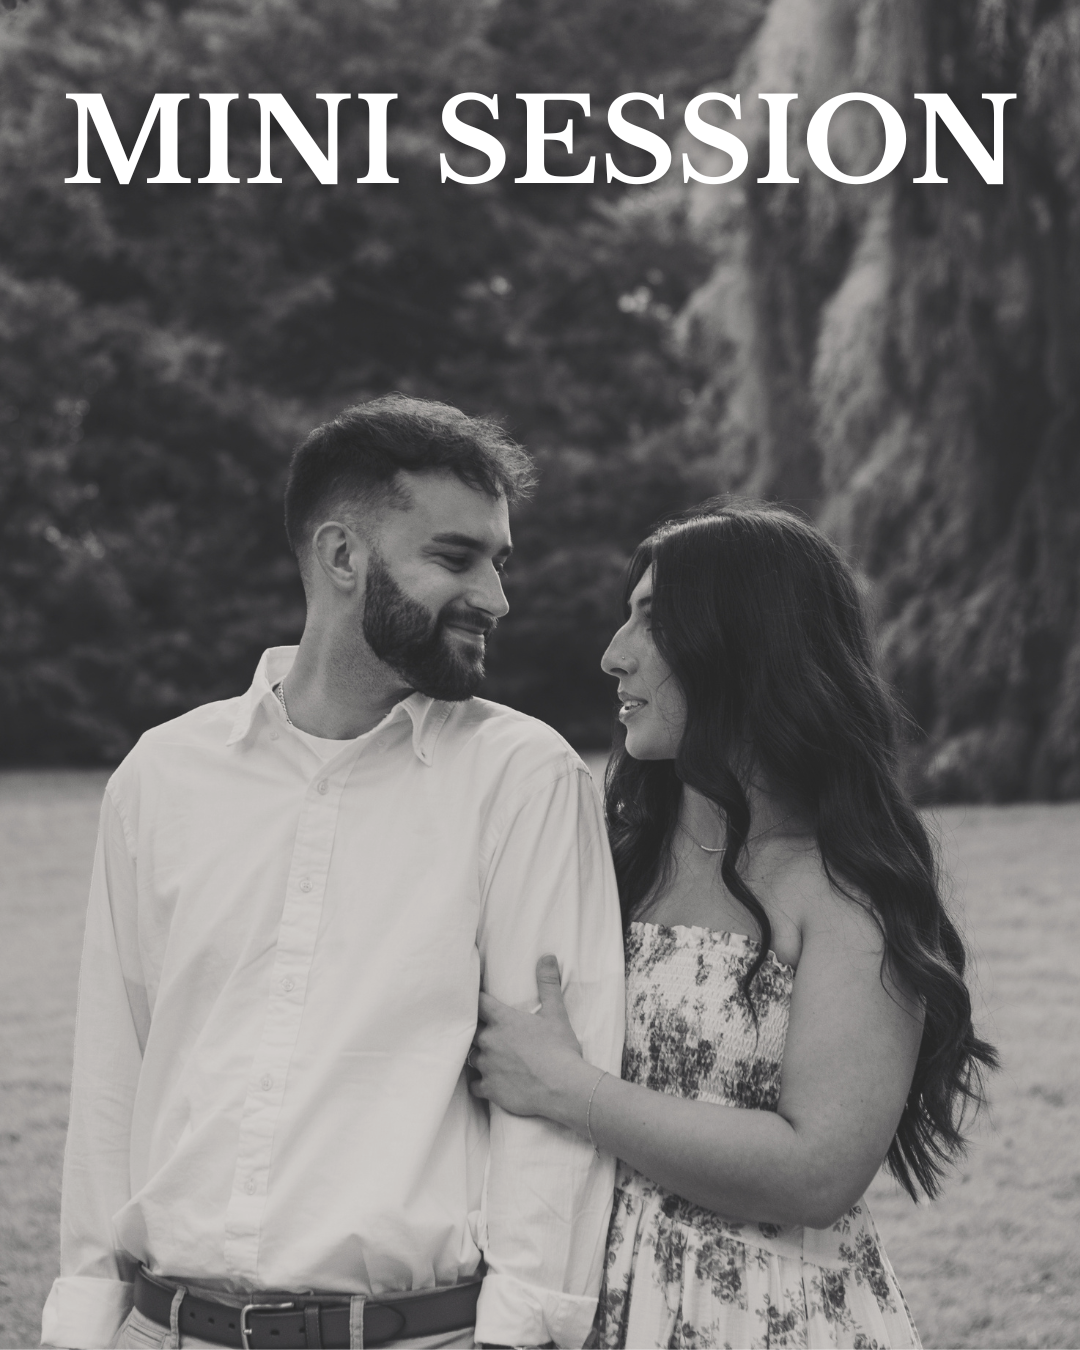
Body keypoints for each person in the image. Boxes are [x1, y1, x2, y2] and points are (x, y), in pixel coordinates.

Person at [40, 395, 625, 1350]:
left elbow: (557, 1106)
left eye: (499, 560)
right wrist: (82, 1324)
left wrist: (518, 1340)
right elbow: (115, 1075)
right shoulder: (161, 776)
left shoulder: (525, 780)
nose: (497, 597)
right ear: (342, 556)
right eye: (455, 557)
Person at [469, 501, 997, 1349]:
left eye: (653, 621)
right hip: (578, 1299)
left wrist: (575, 1094)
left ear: (745, 649)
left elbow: (817, 1168)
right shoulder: (603, 859)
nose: (614, 654)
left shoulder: (844, 889)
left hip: (758, 1315)